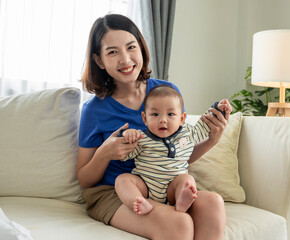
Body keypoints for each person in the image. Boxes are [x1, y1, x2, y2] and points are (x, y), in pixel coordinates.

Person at [77, 13, 229, 240]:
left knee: (213, 204)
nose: (126, 60)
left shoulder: (167, 92)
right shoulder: (94, 110)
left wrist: (212, 140)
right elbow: (84, 179)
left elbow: (176, 156)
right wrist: (105, 153)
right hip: (112, 192)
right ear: (99, 61)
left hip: (162, 184)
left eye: (131, 47)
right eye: (112, 52)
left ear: (141, 47)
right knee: (179, 224)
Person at [115, 85, 232, 215]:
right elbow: (122, 155)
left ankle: (182, 201)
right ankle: (138, 202)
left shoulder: (189, 133)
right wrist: (126, 135)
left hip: (173, 188)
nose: (163, 120)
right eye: (155, 114)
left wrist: (218, 108)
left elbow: (205, 124)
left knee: (187, 180)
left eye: (170, 114)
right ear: (144, 118)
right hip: (145, 186)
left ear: (182, 118)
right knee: (122, 179)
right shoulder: (141, 138)